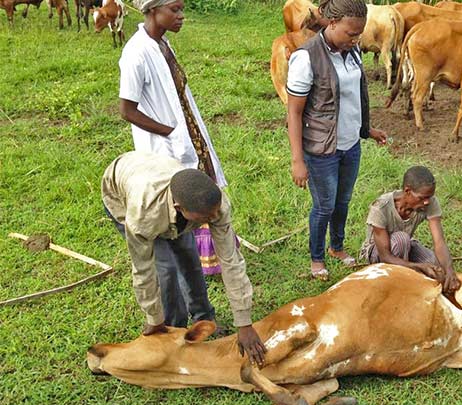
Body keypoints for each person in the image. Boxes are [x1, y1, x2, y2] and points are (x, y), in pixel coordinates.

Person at [102, 151, 266, 366]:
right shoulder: (143, 215)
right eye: (205, 218)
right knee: (166, 269)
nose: (212, 220)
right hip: (121, 194)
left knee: (189, 258)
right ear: (180, 209)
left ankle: (204, 319)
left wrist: (244, 324)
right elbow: (143, 271)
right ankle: (171, 330)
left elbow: (231, 261)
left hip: (157, 179)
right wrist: (154, 319)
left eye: (214, 213)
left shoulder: (214, 205)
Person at [118, 0, 226, 276]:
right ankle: (187, 266)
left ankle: (207, 258)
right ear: (153, 11)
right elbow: (126, 110)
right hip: (166, 143)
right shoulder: (136, 53)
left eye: (182, 10)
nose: (181, 16)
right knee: (179, 203)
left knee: (201, 189)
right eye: (175, 10)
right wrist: (169, 131)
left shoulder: (163, 44)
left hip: (187, 131)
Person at [286, 0, 388, 280]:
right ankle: (317, 258)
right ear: (331, 24)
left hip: (349, 145)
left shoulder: (352, 51)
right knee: (324, 205)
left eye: (359, 34)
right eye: (351, 33)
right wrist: (297, 160)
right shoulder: (306, 58)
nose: (356, 39)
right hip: (321, 149)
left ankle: (337, 248)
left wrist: (366, 130)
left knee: (343, 201)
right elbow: (294, 112)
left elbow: (355, 97)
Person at [360, 166, 459, 292]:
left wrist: (449, 270)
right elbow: (385, 256)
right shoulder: (381, 207)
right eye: (422, 198)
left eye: (430, 197)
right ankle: (400, 286)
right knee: (402, 240)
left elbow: (439, 242)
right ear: (407, 191)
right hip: (378, 254)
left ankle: (411, 274)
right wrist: (418, 267)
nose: (427, 202)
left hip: (406, 247)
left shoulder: (429, 202)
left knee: (436, 267)